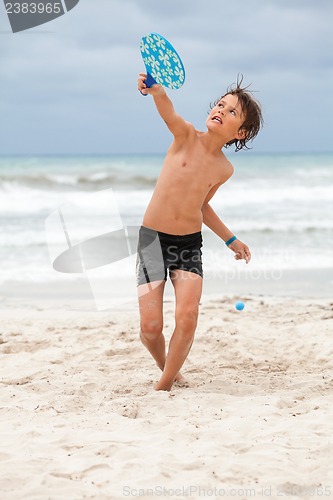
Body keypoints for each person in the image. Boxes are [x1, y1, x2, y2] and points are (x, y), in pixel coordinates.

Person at [136, 73, 263, 391]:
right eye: (220, 104)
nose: (220, 110)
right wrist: (157, 92)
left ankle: (164, 384)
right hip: (151, 240)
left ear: (241, 132)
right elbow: (168, 110)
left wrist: (231, 240)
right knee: (151, 327)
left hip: (188, 245)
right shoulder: (184, 137)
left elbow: (202, 207)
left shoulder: (224, 169)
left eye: (231, 111)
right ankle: (170, 368)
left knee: (188, 315)